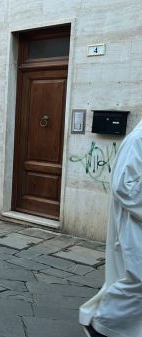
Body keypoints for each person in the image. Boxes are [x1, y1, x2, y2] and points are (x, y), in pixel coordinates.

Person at [79, 120, 142, 337]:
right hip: (134, 225)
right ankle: (101, 325)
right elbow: (125, 187)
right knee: (138, 280)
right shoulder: (138, 139)